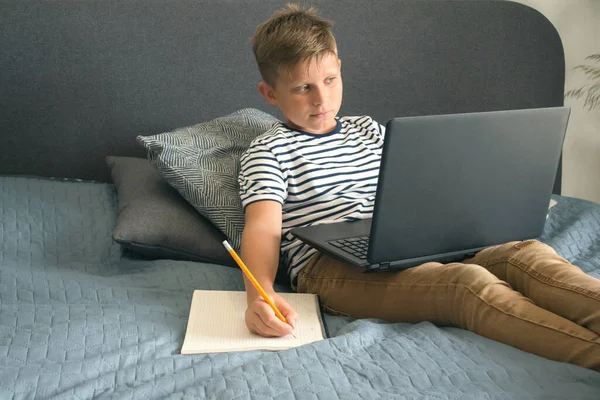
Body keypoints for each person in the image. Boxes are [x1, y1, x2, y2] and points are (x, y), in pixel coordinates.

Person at [238, 3, 600, 370]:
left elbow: (415, 189)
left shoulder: (367, 129)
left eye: (330, 80)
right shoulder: (270, 149)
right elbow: (263, 227)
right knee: (466, 285)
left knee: (526, 254)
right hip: (330, 268)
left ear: (340, 69)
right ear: (269, 94)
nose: (322, 99)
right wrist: (260, 294)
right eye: (303, 88)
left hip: (402, 243)